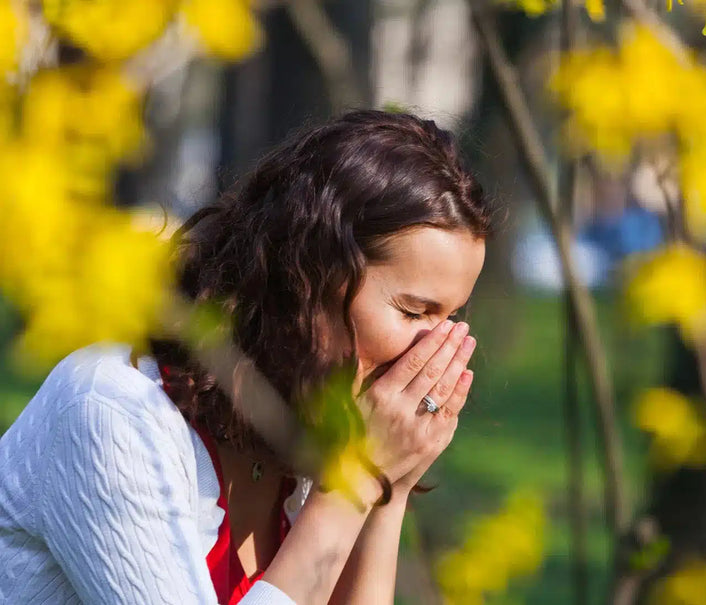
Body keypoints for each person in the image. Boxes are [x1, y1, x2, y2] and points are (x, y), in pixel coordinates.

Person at [0, 110, 491, 604]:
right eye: (413, 312)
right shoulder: (111, 412)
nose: (435, 350)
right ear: (308, 278)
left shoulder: (308, 429)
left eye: (449, 319)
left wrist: (388, 490)